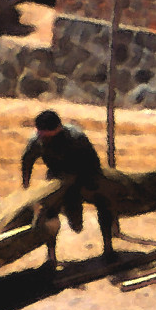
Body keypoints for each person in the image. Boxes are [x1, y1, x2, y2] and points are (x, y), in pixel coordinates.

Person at [21, 109, 115, 267]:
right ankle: (51, 257)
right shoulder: (37, 140)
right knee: (49, 211)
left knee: (103, 201)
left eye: (47, 136)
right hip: (56, 177)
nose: (44, 139)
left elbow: (94, 165)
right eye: (41, 135)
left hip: (84, 175)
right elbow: (27, 161)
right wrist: (26, 188)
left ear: (58, 130)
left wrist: (84, 185)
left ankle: (109, 249)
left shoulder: (76, 138)